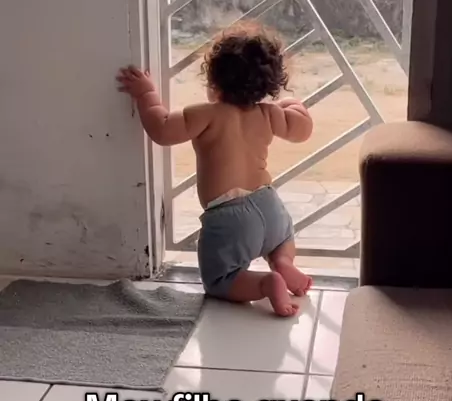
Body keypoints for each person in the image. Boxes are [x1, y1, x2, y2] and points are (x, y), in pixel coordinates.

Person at [117, 23, 313, 317]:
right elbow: (303, 130)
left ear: (213, 82)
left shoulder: (205, 114)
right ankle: (283, 262)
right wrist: (291, 103)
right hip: (269, 206)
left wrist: (146, 94)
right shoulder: (269, 114)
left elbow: (162, 128)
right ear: (267, 86)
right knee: (283, 238)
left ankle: (266, 283)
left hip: (229, 218)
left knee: (219, 279)